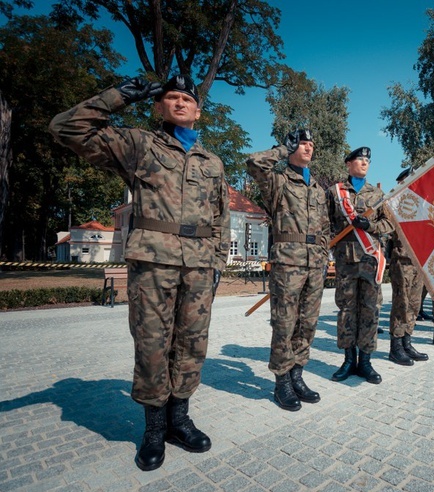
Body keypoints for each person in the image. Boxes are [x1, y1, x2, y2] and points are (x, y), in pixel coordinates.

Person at [50, 75, 230, 471]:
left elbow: (221, 218)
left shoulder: (213, 163)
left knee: (192, 344)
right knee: (152, 344)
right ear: (158, 106)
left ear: (198, 112)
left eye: (187, 99)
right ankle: (153, 428)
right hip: (153, 262)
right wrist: (121, 95)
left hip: (199, 266)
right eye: (172, 97)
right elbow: (66, 127)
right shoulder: (139, 145)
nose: (180, 103)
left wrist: (218, 262)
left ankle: (179, 419)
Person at [246, 128, 329, 412]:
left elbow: (325, 228)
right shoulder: (278, 180)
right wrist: (283, 149)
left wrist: (323, 254)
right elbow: (254, 162)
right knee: (284, 323)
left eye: (310, 143)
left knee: (307, 323)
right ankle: (281, 381)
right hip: (288, 262)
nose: (308, 147)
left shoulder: (318, 188)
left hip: (314, 263)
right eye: (302, 143)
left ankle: (297, 376)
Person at [328, 147, 394, 384]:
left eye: (367, 159)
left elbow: (389, 224)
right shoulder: (335, 192)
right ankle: (348, 360)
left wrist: (371, 227)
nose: (365, 162)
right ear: (348, 163)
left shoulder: (377, 194)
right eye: (360, 159)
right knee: (346, 311)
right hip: (345, 261)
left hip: (369, 260)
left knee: (370, 310)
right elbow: (326, 224)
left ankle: (365, 362)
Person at [387, 168, 429, 365]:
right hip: (402, 261)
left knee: (414, 305)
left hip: (418, 263)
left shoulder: (421, 206)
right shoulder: (393, 204)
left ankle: (407, 342)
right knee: (401, 304)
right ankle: (395, 347)